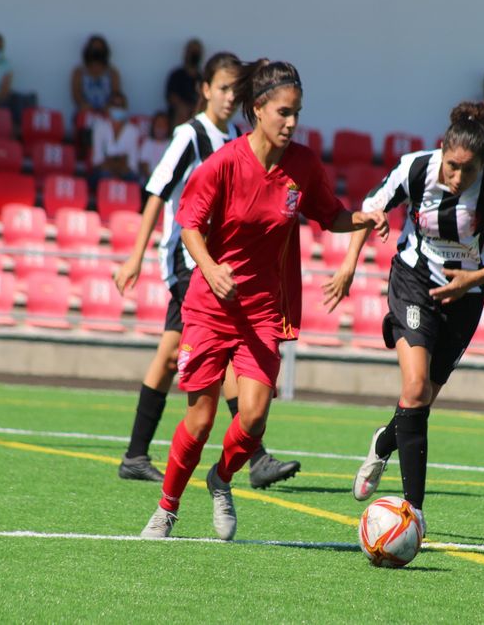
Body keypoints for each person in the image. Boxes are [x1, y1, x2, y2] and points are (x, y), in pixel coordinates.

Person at [140, 58, 389, 540]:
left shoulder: (303, 165)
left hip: (261, 311)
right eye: (283, 112)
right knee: (202, 417)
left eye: (297, 113)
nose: (292, 123)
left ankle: (221, 479)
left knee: (252, 418)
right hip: (210, 307)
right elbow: (188, 224)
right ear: (257, 110)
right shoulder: (223, 164)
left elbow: (330, 215)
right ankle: (167, 508)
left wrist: (362, 218)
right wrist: (210, 270)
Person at [328, 101, 484, 531]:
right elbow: (370, 207)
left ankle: (383, 443)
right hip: (413, 282)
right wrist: (349, 263)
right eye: (453, 166)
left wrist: (474, 277)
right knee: (416, 386)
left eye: (469, 170)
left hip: (466, 297)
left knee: (420, 402)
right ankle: (413, 513)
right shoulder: (416, 168)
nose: (459, 178)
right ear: (442, 149)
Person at [115, 52, 301, 488]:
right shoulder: (190, 136)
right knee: (222, 354)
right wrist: (136, 255)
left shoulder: (237, 137)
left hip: (223, 265)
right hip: (190, 261)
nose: (227, 97)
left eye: (234, 89)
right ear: (204, 89)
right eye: (220, 88)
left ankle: (136, 454)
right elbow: (158, 193)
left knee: (167, 356)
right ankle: (255, 456)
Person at [90, 91, 140, 188]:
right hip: (103, 171)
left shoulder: (133, 130)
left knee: (134, 180)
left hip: (125, 173)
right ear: (107, 107)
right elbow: (97, 159)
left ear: (125, 108)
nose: (117, 108)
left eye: (120, 105)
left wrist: (117, 168)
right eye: (114, 104)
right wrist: (117, 163)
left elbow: (132, 164)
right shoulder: (99, 127)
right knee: (103, 176)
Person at [71, 35, 121, 114]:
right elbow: (76, 94)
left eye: (99, 49)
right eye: (94, 48)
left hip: (107, 112)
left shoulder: (112, 73)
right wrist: (84, 105)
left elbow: (116, 95)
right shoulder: (79, 72)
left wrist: (107, 107)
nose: (97, 51)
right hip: (85, 112)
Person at [165, 38, 203, 127]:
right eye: (192, 51)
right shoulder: (176, 75)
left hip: (196, 112)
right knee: (182, 110)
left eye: (197, 51)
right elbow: (171, 97)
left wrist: (194, 108)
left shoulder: (202, 78)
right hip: (178, 113)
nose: (194, 54)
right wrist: (185, 107)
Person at [138, 111, 171, 181]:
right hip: (149, 182)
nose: (160, 128)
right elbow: (144, 165)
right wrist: (153, 181)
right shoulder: (148, 143)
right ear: (153, 126)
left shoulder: (171, 144)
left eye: (163, 125)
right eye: (158, 125)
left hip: (166, 182)